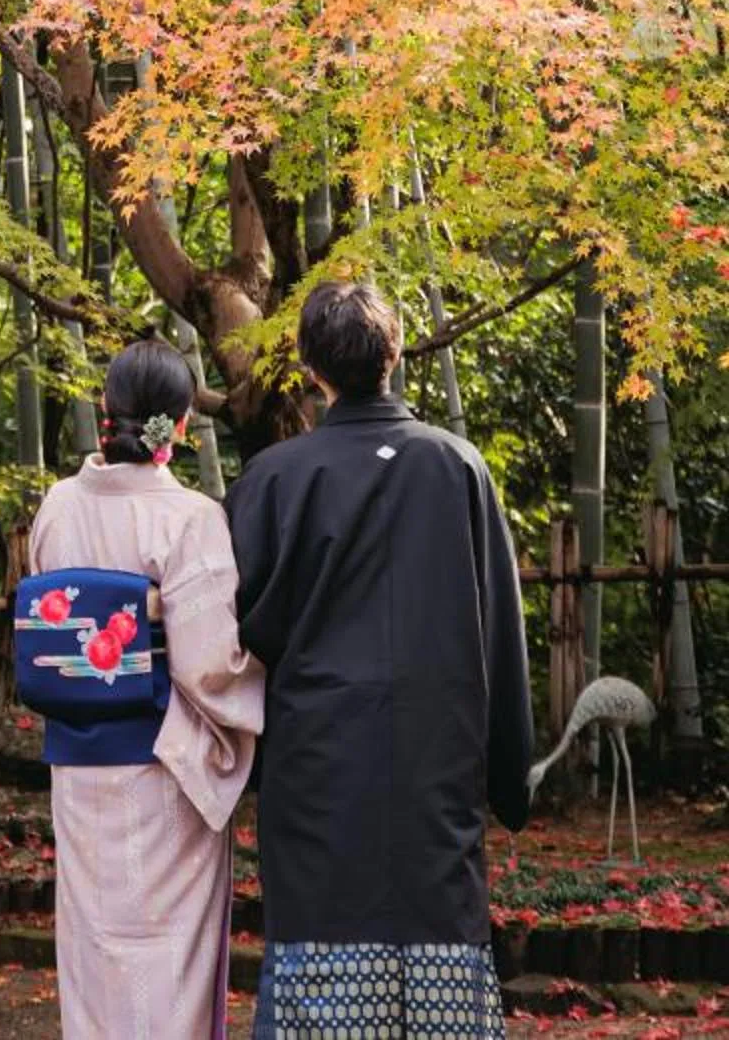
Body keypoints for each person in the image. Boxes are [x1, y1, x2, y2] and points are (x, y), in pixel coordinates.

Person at [226, 279, 534, 1040]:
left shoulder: (272, 479)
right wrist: (508, 771)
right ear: (393, 357)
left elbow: (234, 636)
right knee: (439, 955)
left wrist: (247, 763)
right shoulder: (458, 466)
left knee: (320, 966)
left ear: (310, 368)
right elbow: (499, 629)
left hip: (316, 766)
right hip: (436, 760)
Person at [29, 336, 264, 1040]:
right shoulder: (189, 518)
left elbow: (51, 627)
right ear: (183, 424)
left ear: (107, 409)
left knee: (96, 951)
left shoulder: (58, 506)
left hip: (78, 769)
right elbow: (211, 668)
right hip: (162, 768)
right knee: (169, 957)